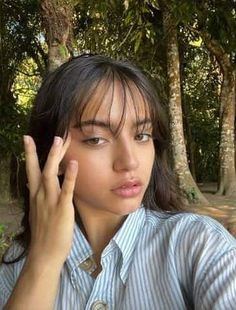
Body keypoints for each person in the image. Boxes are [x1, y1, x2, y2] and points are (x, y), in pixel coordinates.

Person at [0, 54, 236, 310]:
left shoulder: (201, 245)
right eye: (96, 139)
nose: (129, 161)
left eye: (142, 135)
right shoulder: (19, 263)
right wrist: (43, 261)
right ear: (51, 155)